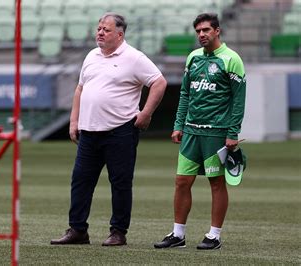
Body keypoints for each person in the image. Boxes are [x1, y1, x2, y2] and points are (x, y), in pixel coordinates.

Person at [50, 13, 167, 246]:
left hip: (120, 130)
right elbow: (80, 88)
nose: (100, 33)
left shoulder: (134, 57)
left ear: (120, 34)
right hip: (89, 132)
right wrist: (74, 121)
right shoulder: (91, 55)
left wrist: (146, 113)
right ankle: (77, 230)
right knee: (80, 181)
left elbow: (159, 82)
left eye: (106, 29)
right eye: (99, 28)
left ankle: (118, 232)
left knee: (120, 183)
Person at [153, 13, 246, 250]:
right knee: (182, 182)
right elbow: (185, 94)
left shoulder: (231, 59)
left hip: (216, 132)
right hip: (191, 131)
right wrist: (178, 125)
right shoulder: (193, 58)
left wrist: (233, 132)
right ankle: (178, 234)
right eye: (198, 31)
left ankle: (214, 236)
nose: (201, 34)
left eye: (206, 30)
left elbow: (238, 99)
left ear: (217, 31)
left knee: (216, 183)